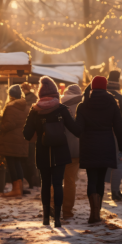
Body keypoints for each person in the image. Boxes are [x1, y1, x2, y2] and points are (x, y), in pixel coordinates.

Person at [23, 76, 80, 227]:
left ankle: (46, 217)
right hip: (60, 152)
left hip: (42, 152)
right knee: (58, 183)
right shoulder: (62, 109)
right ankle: (58, 218)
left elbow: (26, 134)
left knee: (45, 184)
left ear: (40, 94)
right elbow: (75, 130)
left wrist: (39, 130)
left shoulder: (34, 110)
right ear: (55, 93)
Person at [75, 76, 122, 222]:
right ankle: (97, 212)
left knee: (91, 178)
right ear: (105, 87)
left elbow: (78, 130)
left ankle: (94, 212)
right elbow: (119, 126)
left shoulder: (83, 105)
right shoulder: (112, 104)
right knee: (100, 180)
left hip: (89, 145)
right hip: (106, 144)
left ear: (91, 87)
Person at [50, 84, 82, 219]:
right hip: (75, 149)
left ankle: (53, 206)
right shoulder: (82, 107)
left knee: (56, 179)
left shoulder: (58, 106)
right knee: (70, 181)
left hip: (59, 147)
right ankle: (67, 211)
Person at [0, 84, 29, 197]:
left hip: (11, 139)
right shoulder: (25, 107)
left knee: (12, 164)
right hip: (21, 139)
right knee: (17, 164)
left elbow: (9, 124)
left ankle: (16, 189)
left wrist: (0, 127)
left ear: (10, 95)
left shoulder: (11, 107)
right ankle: (19, 189)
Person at [106, 70, 122, 200]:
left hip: (101, 134)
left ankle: (99, 192)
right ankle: (115, 191)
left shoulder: (100, 97)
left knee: (102, 162)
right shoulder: (121, 99)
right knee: (118, 163)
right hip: (117, 135)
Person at [21, 82, 40, 189]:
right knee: (32, 160)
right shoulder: (35, 100)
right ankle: (35, 181)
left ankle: (31, 181)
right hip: (34, 136)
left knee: (28, 160)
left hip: (27, 136)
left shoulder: (24, 102)